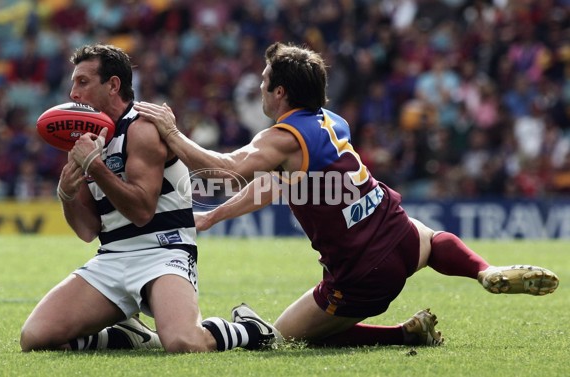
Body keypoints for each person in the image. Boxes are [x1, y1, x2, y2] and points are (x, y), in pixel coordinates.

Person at [134, 42, 559, 347]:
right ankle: (483, 271)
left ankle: (401, 335)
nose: (261, 89)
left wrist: (172, 133)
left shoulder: (281, 138)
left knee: (286, 334)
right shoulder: (330, 121)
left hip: (361, 274)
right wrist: (212, 217)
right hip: (398, 235)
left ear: (281, 92)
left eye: (265, 83)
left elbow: (225, 171)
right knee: (428, 237)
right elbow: (274, 185)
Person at [20, 44, 281, 353]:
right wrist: (66, 194)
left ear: (113, 85)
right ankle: (127, 336)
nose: (73, 93)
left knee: (184, 343)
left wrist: (95, 166)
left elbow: (142, 210)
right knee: (35, 337)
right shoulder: (87, 140)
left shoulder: (143, 127)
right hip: (113, 256)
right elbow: (88, 230)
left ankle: (249, 329)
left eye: (83, 82)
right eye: (73, 82)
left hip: (163, 251)